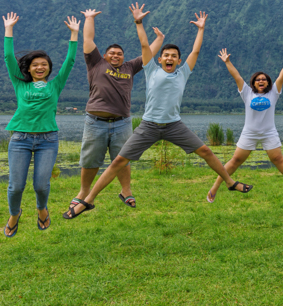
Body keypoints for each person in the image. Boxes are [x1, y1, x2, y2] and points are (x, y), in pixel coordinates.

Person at [64, 12, 252, 219]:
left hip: (174, 125)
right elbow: (145, 46)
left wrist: (201, 29)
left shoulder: (184, 72)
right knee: (118, 161)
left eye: (174, 56)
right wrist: (139, 23)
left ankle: (230, 182)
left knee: (206, 151)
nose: (170, 58)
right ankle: (88, 200)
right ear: (160, 59)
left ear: (179, 60)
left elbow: (195, 51)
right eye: (166, 55)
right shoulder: (150, 69)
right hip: (149, 126)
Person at [69, 4, 162, 213]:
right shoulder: (96, 64)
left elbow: (148, 52)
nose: (115, 56)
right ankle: (83, 192)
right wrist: (90, 18)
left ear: (123, 56)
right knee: (90, 159)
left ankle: (126, 190)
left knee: (122, 159)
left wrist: (160, 39)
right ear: (105, 55)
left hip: (122, 122)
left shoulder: (130, 67)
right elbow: (89, 40)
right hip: (95, 122)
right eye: (112, 53)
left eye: (119, 54)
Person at [2, 12, 79, 236]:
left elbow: (70, 61)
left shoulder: (55, 85)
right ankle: (14, 214)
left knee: (41, 185)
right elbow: (8, 58)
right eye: (35, 65)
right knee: (16, 186)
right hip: (20, 139)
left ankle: (42, 209)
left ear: (49, 68)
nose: (39, 67)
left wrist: (74, 34)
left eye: (43, 65)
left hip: (48, 140)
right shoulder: (20, 84)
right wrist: (9, 29)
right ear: (28, 69)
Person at [207, 48, 283, 202]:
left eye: (264, 79)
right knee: (236, 160)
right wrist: (227, 62)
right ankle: (215, 187)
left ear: (268, 82)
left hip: (268, 132)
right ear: (253, 82)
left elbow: (281, 77)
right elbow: (236, 76)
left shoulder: (274, 93)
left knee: (278, 159)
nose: (261, 81)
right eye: (258, 79)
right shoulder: (247, 93)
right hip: (249, 133)